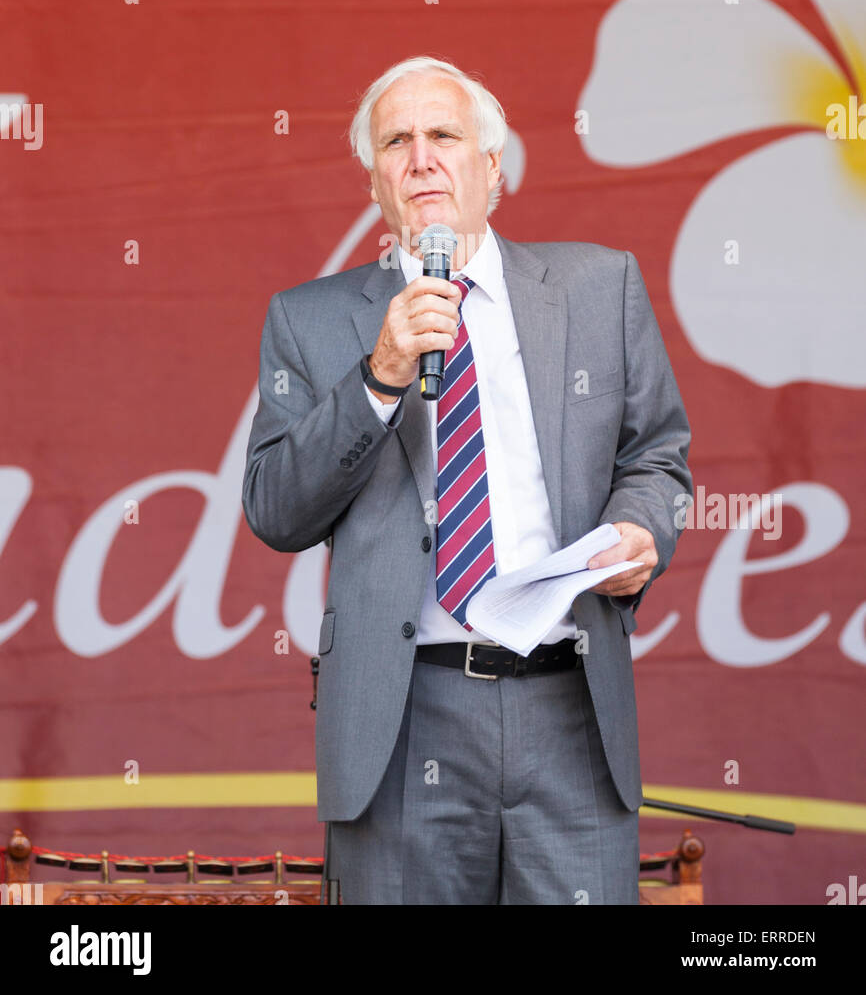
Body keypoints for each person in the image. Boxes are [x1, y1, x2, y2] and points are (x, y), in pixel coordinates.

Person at [242, 54, 692, 905]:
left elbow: (657, 457)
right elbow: (275, 508)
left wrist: (642, 530)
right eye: (396, 142)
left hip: (569, 707)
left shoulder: (601, 286)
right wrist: (377, 376)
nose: (421, 158)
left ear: (492, 168)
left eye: (445, 136)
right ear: (375, 180)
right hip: (405, 718)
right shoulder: (309, 320)